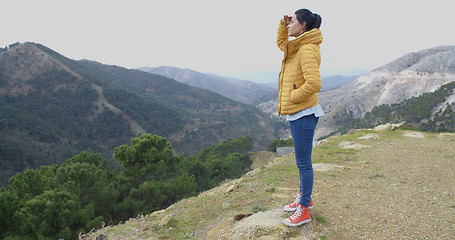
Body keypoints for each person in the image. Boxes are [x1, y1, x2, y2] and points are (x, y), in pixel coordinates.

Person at [276, 8, 324, 227]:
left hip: (303, 113)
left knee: (304, 164)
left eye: (293, 21)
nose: (290, 24)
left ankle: (304, 209)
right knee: (302, 162)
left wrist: (293, 95)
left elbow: (314, 84)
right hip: (299, 113)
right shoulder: (298, 46)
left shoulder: (306, 49)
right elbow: (282, 45)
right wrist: (282, 25)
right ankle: (306, 198)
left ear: (303, 25)